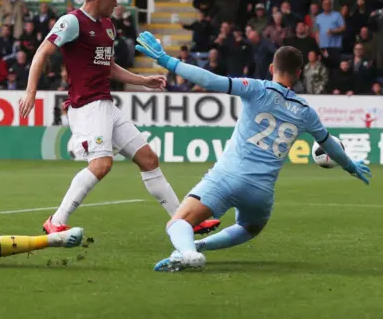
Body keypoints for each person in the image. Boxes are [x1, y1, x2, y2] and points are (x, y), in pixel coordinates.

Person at [135, 32, 372, 272]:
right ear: (299, 73)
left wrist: (167, 61)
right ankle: (199, 246)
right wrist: (350, 166)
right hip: (260, 192)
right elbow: (329, 143)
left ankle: (187, 252)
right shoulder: (306, 111)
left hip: (226, 177)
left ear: (271, 68)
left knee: (178, 222)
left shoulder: (256, 88)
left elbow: (209, 80)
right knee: (250, 228)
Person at [18, 0, 220, 235]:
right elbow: (41, 53)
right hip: (87, 106)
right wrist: (31, 91)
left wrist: (143, 81)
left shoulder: (108, 26)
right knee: (101, 165)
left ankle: (184, 220)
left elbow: (109, 67)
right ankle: (56, 221)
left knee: (148, 159)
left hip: (106, 104)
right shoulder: (71, 22)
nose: (116, 2)